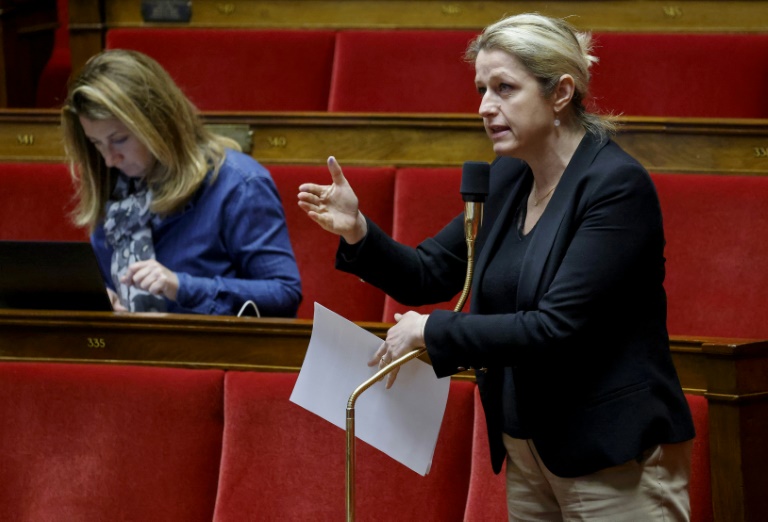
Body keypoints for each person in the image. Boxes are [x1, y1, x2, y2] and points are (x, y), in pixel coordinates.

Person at [298, 13, 695, 521]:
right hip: (529, 447)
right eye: (482, 88)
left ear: (561, 93)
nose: (485, 107)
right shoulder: (510, 176)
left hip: (611, 454)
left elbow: (558, 328)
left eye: (504, 88)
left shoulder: (615, 187)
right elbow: (428, 273)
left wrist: (431, 331)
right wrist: (357, 231)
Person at [62, 49, 301, 316]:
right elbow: (110, 282)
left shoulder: (238, 183)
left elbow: (284, 293)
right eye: (96, 143)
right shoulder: (112, 186)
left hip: (215, 350)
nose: (109, 159)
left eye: (119, 139)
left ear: (157, 125)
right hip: (131, 350)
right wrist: (106, 299)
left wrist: (181, 286)